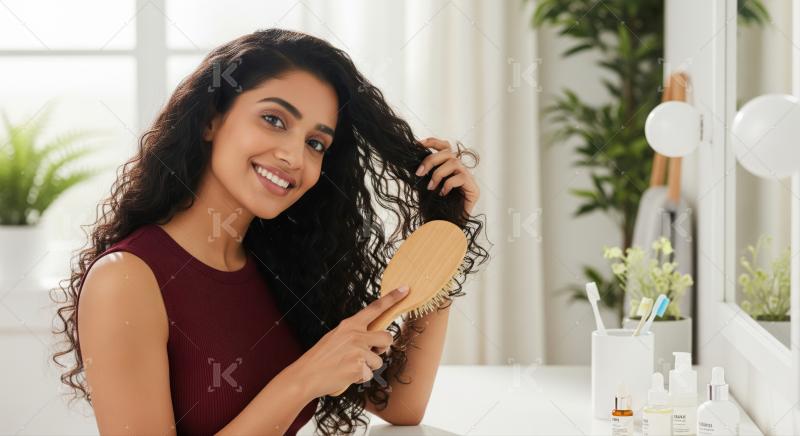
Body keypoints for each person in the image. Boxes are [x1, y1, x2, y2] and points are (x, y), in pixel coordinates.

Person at [51, 28, 488, 435]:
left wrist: (444, 233)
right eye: (275, 120)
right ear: (210, 119)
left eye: (316, 143)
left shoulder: (284, 265)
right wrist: (302, 381)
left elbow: (399, 404)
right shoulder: (126, 279)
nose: (293, 156)